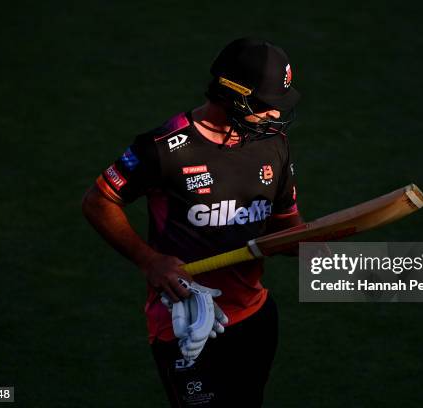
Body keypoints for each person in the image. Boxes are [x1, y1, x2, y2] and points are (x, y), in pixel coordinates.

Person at [82, 37, 303, 407]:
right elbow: (98, 201)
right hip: (185, 323)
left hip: (254, 318)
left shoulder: (274, 145)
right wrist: (149, 260)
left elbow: (285, 228)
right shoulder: (162, 148)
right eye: (266, 106)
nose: (275, 116)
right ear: (233, 95)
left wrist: (320, 243)